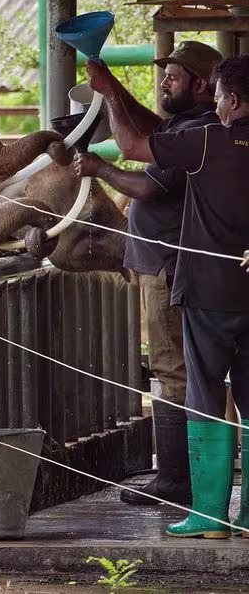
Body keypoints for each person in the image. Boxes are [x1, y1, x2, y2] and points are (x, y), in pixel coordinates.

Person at [110, 54, 249, 539]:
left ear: (230, 98)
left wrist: (109, 92)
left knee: (204, 393)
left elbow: (131, 145)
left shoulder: (207, 139)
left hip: (209, 290)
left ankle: (210, 517)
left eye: (218, 96)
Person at [80, 40, 222, 507]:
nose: (165, 81)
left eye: (174, 75)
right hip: (166, 263)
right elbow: (153, 128)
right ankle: (189, 480)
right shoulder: (189, 125)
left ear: (203, 86)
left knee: (171, 370)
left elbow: (141, 176)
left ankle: (177, 481)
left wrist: (99, 166)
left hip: (170, 269)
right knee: (183, 370)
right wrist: (113, 89)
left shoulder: (200, 130)